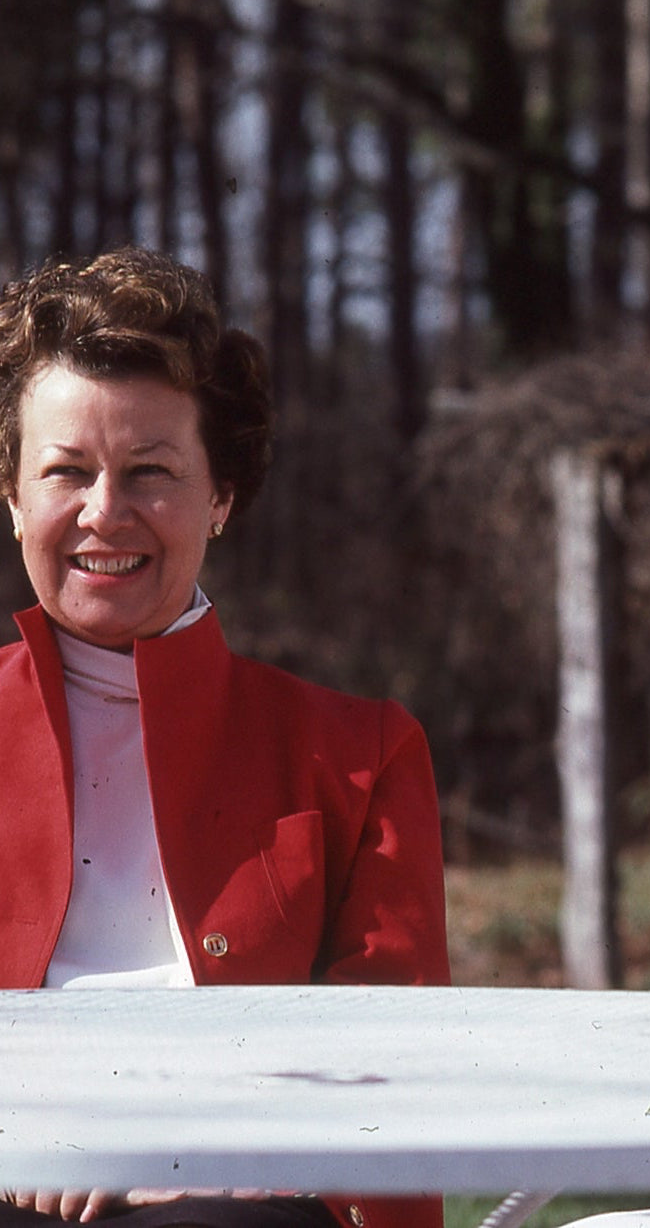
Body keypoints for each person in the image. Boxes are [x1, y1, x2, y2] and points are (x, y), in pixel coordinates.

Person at [0, 248, 449, 1228]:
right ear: (12, 495)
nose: (103, 513)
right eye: (65, 471)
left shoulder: (361, 754)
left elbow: (390, 1065)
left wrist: (183, 1148)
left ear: (221, 497)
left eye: (150, 473)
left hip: (241, 1194)